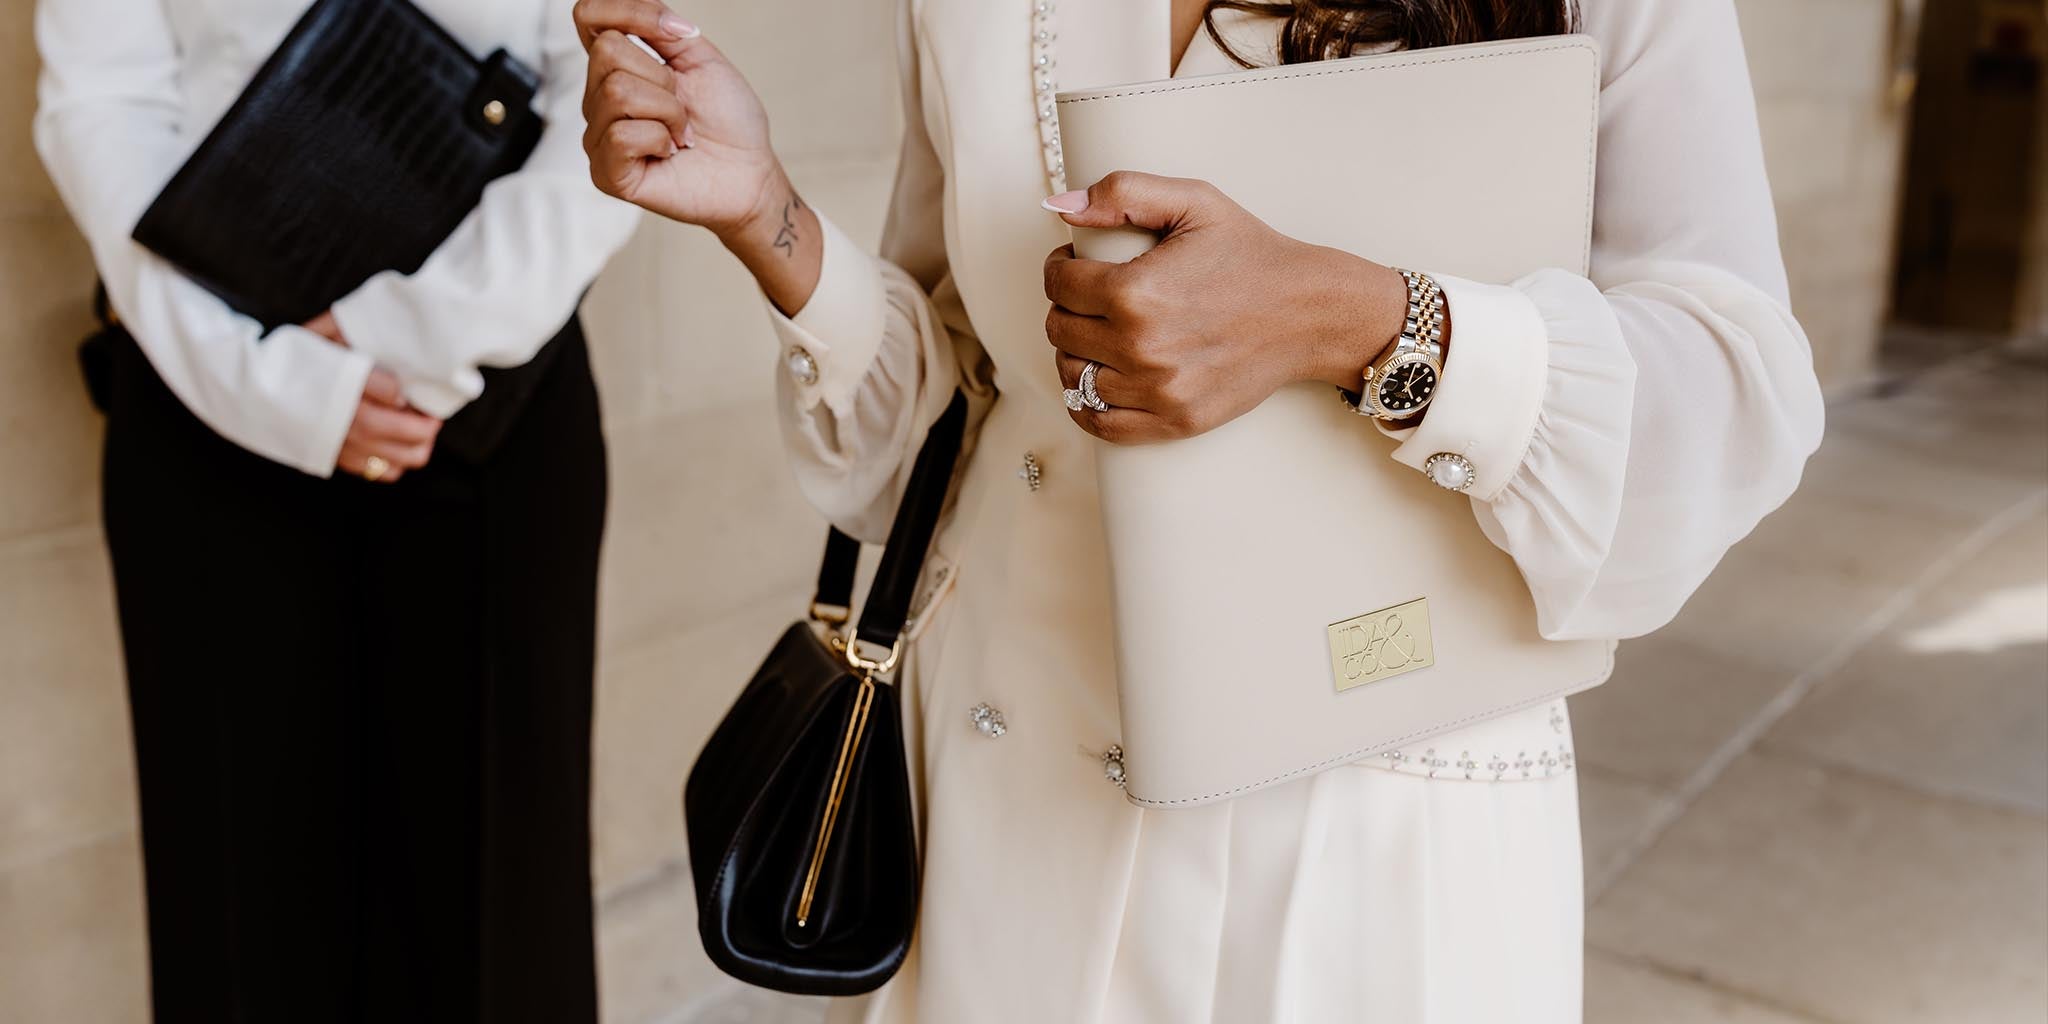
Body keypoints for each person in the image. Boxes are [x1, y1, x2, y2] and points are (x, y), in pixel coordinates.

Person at [575, 0, 1823, 1019]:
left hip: (1359, 834)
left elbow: (1732, 395)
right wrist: (768, 217)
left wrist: (1366, 323)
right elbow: (959, 405)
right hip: (995, 798)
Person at [33, 1, 641, 1019]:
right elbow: (103, 99)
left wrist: (406, 338)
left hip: (492, 390)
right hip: (202, 386)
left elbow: (621, 90)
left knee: (495, 912)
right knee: (239, 909)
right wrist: (261, 379)